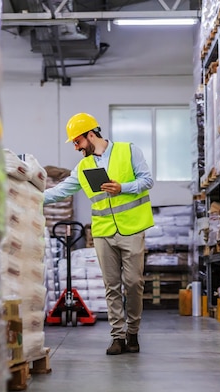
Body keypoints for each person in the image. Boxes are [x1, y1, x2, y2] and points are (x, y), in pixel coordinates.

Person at [43, 112, 154, 355]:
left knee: (134, 283)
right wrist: (31, 197)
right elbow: (60, 191)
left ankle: (133, 331)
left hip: (132, 229)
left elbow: (147, 181)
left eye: (77, 141)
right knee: (111, 285)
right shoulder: (83, 167)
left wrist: (122, 188)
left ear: (91, 135)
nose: (76, 147)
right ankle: (118, 336)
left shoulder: (129, 150)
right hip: (103, 232)